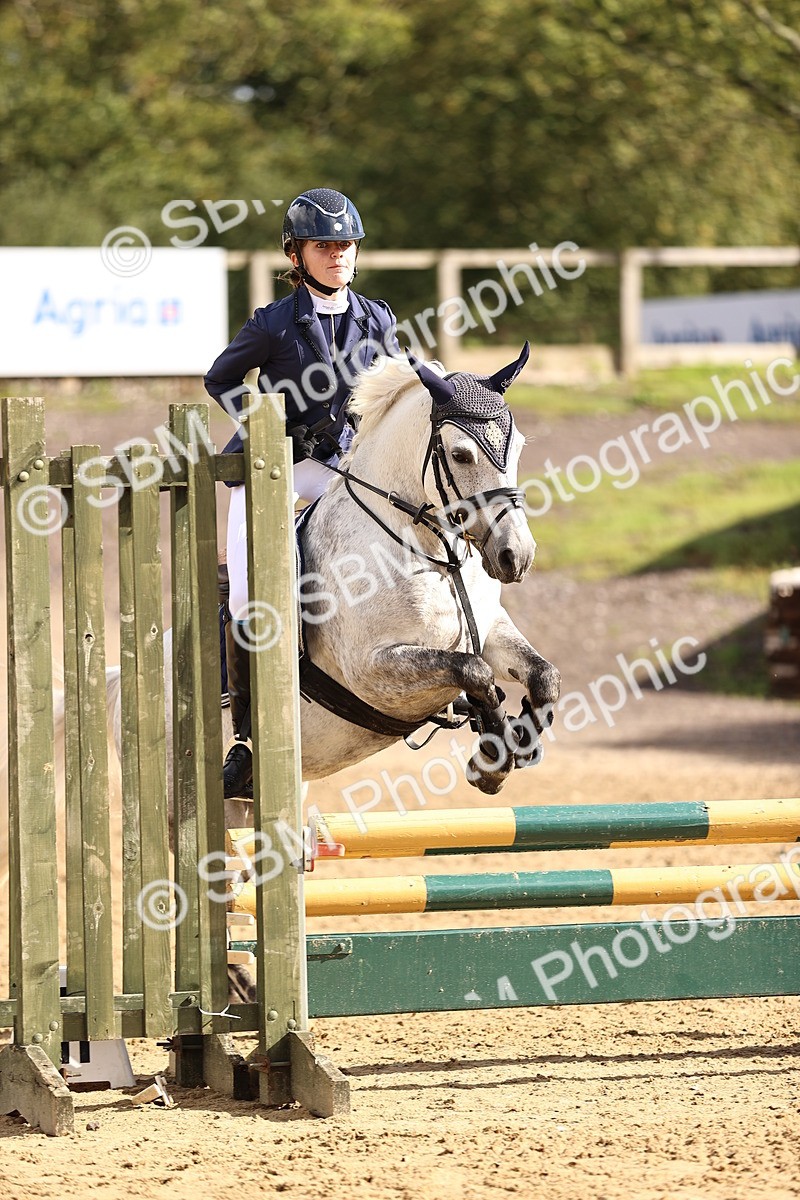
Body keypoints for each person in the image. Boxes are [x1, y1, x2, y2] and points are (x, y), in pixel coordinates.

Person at [204, 187, 400, 798]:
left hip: (338, 465)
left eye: (346, 244)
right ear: (298, 254)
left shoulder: (378, 318)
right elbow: (220, 379)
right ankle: (244, 738)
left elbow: (392, 389)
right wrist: (265, 421)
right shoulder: (271, 324)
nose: (338, 254)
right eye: (325, 245)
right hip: (272, 468)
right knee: (246, 596)